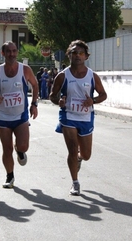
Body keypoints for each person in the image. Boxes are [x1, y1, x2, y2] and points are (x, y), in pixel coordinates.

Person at [49, 39, 107, 196]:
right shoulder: (62, 76)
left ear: (86, 56)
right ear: (69, 55)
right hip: (68, 116)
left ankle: (80, 159)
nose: (77, 56)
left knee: (86, 155)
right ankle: (75, 182)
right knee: (72, 150)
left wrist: (93, 101)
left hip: (86, 117)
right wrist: (59, 102)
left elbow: (103, 95)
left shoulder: (92, 76)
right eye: (74, 52)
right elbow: (52, 96)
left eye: (81, 53)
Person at [0, 41, 39, 189]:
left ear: (17, 52)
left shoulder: (25, 70)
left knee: (23, 146)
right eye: (8, 51)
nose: (12, 54)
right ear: (3, 53)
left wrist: (34, 104)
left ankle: (20, 151)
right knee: (6, 149)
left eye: (14, 51)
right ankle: (10, 176)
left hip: (20, 115)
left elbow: (35, 85)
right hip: (3, 116)